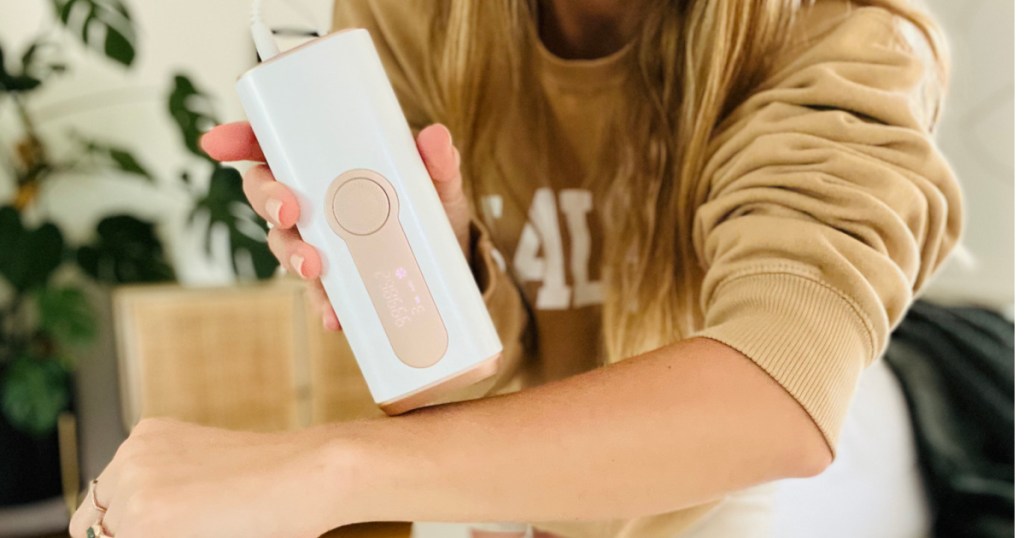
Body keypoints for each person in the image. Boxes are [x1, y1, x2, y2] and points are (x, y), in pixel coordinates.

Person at [70, 0, 962, 536]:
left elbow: (779, 394)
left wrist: (308, 476)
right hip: (477, 491)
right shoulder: (410, 16)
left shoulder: (843, 35)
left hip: (690, 510)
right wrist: (453, 256)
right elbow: (445, 379)